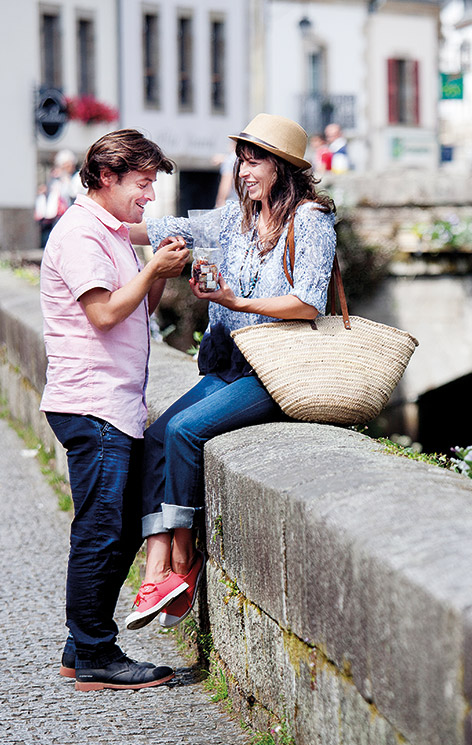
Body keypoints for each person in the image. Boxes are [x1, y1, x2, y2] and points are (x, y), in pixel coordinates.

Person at [125, 113, 336, 630]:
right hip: (225, 360)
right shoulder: (232, 219)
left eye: (256, 159)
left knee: (185, 431)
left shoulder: (310, 220)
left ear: (283, 168)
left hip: (274, 367)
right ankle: (164, 567)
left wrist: (235, 300)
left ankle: (181, 562)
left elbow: (308, 302)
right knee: (156, 435)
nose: (244, 169)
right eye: (242, 158)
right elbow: (155, 230)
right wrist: (91, 219)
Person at [40, 129, 190, 691]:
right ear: (108, 177)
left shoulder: (111, 232)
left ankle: (81, 646)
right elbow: (103, 314)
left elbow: (137, 309)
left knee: (120, 525)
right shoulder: (80, 233)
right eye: (143, 183)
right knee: (101, 531)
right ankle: (98, 656)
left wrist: (158, 274)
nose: (150, 196)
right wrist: (152, 272)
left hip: (114, 401)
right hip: (92, 401)